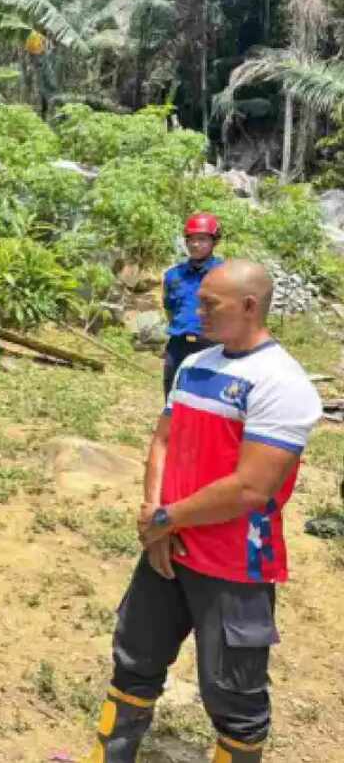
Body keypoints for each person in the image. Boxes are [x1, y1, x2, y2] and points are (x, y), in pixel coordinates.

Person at [80, 261, 322, 763]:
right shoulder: (196, 364)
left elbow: (252, 488)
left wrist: (167, 519)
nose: (198, 311)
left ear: (250, 306)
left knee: (234, 696)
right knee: (134, 661)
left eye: (211, 304)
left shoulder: (281, 382)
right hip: (169, 547)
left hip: (234, 564)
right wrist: (154, 519)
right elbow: (163, 441)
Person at [162, 212, 224, 398]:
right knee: (172, 397)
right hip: (178, 346)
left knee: (208, 400)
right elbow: (169, 309)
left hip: (212, 346)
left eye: (202, 239)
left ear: (215, 242)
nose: (195, 244)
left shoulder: (225, 273)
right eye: (191, 239)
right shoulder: (173, 275)